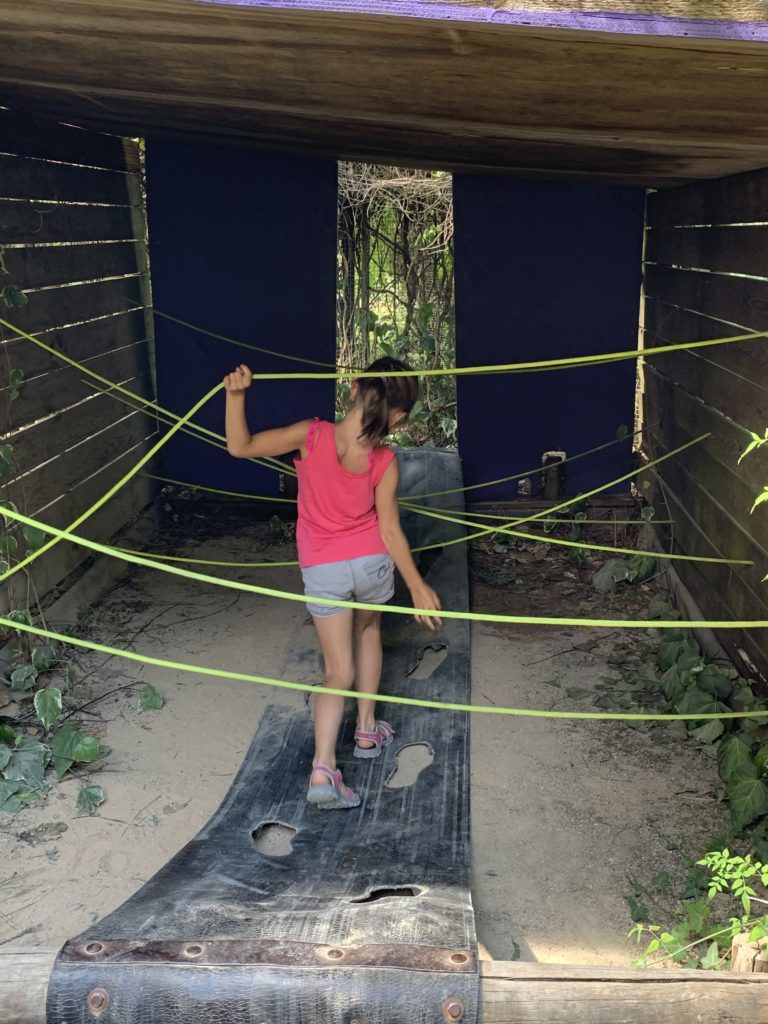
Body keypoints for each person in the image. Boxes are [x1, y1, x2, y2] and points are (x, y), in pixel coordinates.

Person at [223, 356, 441, 810]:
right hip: (371, 563)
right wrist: (417, 585)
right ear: (399, 417)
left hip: (324, 568)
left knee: (336, 671)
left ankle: (323, 769)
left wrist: (236, 395)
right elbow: (389, 530)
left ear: (353, 388)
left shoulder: (311, 435)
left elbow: (240, 447)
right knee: (370, 629)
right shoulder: (384, 461)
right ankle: (366, 729)